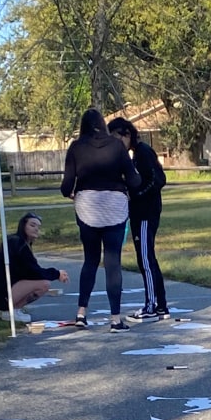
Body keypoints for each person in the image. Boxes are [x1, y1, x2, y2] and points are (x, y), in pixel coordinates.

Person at [60, 108, 140, 329]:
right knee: (113, 262)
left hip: (88, 208)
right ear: (103, 124)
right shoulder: (116, 146)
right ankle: (115, 319)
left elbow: (66, 185)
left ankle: (81, 313)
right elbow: (134, 181)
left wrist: (72, 193)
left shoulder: (76, 147)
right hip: (114, 206)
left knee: (90, 260)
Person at [107, 116, 170, 319]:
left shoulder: (143, 152)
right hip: (138, 213)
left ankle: (151, 305)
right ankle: (161, 304)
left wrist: (137, 195)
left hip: (145, 214)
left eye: (117, 140)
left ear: (126, 134)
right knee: (147, 258)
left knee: (145, 259)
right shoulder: (133, 155)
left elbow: (158, 179)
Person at [0, 212, 63, 315]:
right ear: (23, 226)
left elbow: (31, 271)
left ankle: (14, 310)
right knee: (44, 284)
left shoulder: (19, 242)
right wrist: (57, 274)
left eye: (38, 227)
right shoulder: (17, 243)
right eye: (32, 225)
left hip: (0, 291)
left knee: (43, 282)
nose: (36, 229)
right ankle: (12, 310)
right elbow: (33, 271)